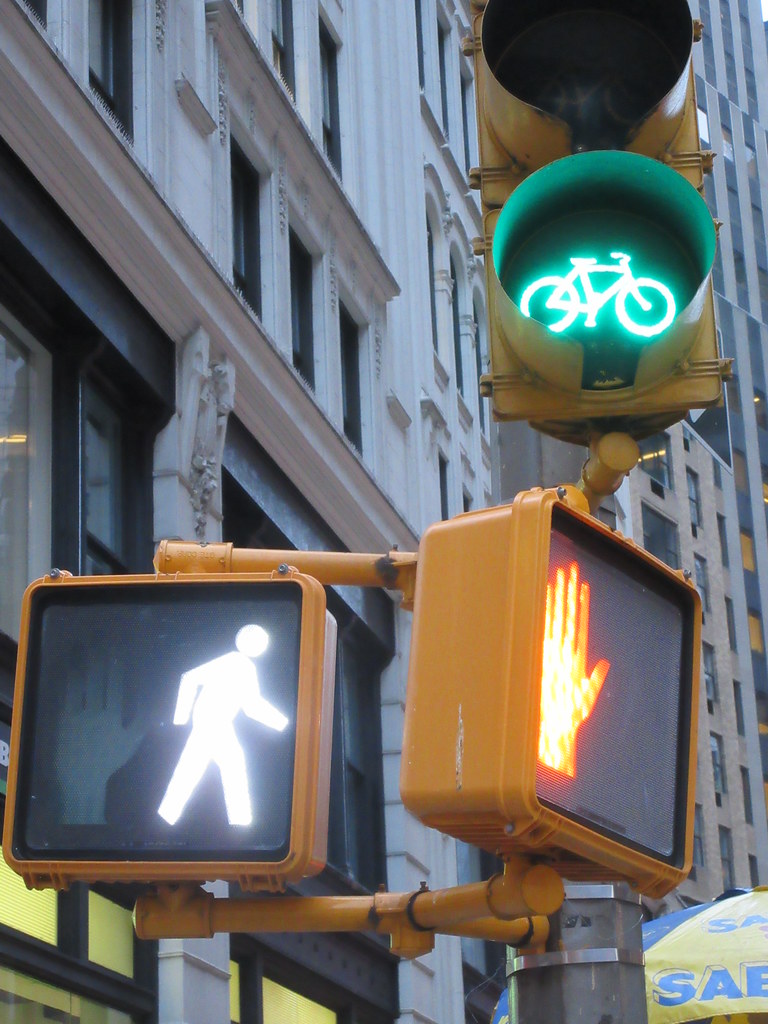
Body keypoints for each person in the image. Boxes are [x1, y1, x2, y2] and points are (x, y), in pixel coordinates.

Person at [157, 624, 288, 826]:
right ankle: (240, 823)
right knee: (226, 764)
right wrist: (181, 718)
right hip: (212, 721)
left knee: (199, 766)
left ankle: (168, 816)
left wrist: (281, 723)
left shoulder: (243, 666)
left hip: (215, 722)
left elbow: (251, 705)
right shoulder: (233, 662)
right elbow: (190, 678)